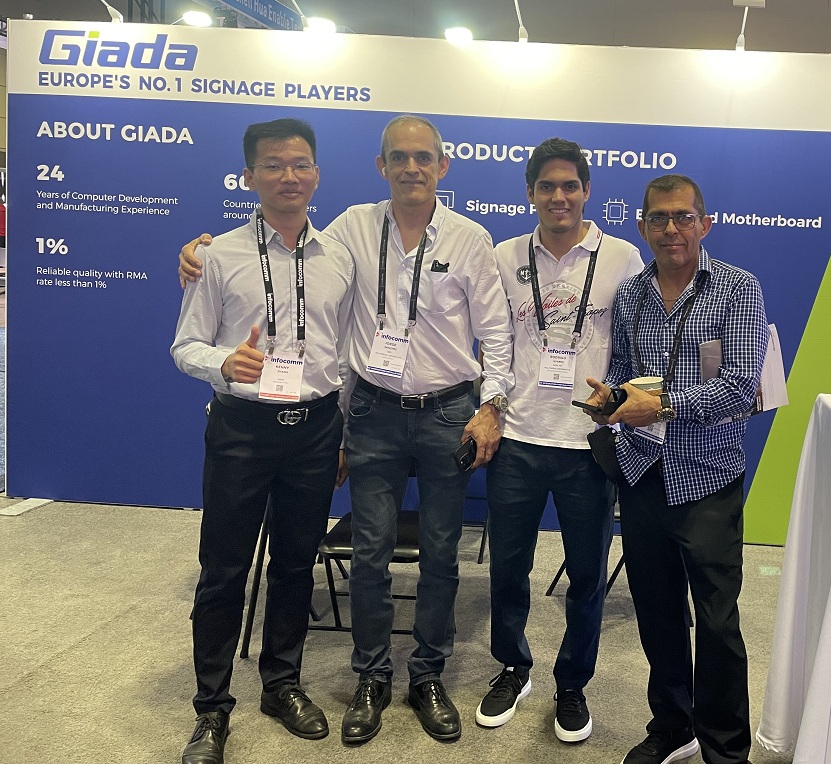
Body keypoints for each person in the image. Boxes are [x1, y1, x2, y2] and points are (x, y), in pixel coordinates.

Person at [179, 115, 514, 745]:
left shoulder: (465, 238)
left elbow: (496, 332)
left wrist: (492, 405)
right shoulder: (348, 231)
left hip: (441, 413)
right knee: (359, 556)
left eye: (423, 157)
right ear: (380, 166)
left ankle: (422, 676)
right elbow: (267, 264)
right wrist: (199, 254)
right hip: (360, 416)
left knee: (435, 554)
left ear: (442, 166)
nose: (411, 168)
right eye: (398, 157)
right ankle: (363, 679)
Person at [171, 118, 355, 764]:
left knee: (296, 565)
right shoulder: (216, 255)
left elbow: (346, 354)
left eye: (300, 164)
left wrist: (342, 431)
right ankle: (211, 708)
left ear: (317, 174)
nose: (288, 176)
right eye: (273, 165)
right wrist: (223, 362)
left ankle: (282, 685)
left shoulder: (340, 257)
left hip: (316, 428)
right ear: (249, 176)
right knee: (224, 571)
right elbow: (185, 345)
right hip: (242, 431)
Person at [583, 174, 768, 764]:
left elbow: (740, 387)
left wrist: (661, 407)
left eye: (683, 217)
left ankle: (725, 748)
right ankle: (672, 725)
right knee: (658, 612)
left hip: (708, 477)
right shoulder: (632, 294)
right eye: (659, 218)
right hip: (644, 473)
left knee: (717, 622)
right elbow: (627, 369)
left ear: (704, 224)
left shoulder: (737, 289)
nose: (671, 229)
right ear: (642, 226)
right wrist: (612, 399)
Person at [475, 138, 643, 742]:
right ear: (530, 193)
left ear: (586, 191)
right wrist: (492, 405)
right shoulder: (504, 256)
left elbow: (642, 340)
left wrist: (620, 397)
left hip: (587, 443)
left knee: (587, 576)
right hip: (518, 438)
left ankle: (572, 683)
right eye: (546, 186)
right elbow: (491, 340)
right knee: (508, 568)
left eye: (570, 185)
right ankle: (512, 667)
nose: (559, 196)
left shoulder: (622, 257)